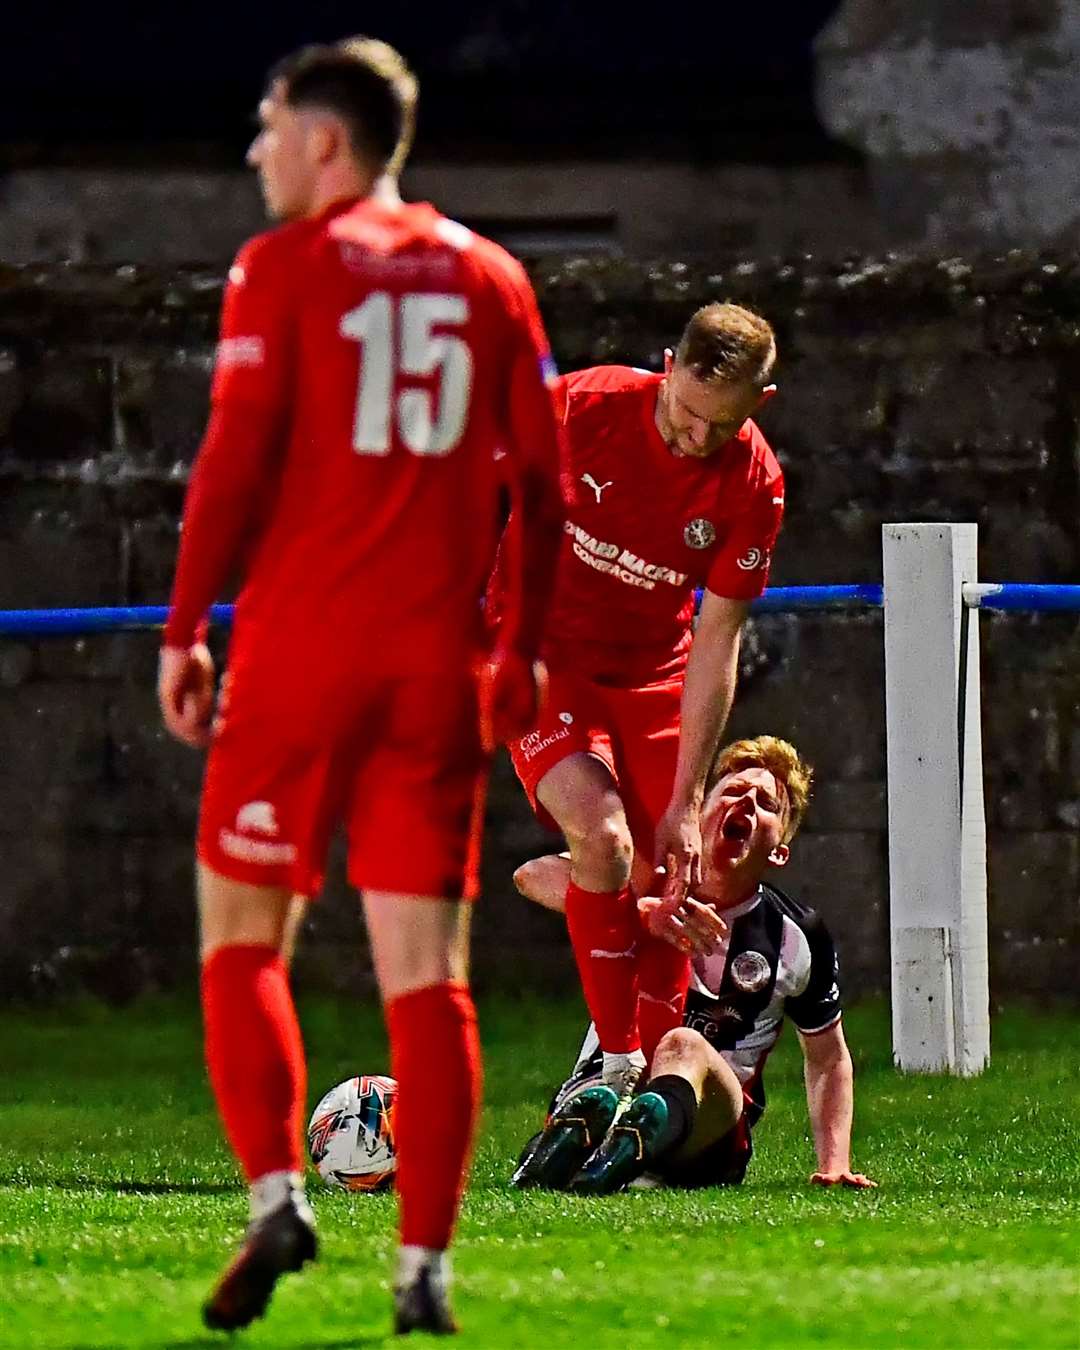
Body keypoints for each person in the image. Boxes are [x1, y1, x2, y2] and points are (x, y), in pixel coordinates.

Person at [157, 37, 563, 1337]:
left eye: (269, 127)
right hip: (437, 666)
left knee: (239, 931)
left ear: (326, 141)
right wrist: (524, 649)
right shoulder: (495, 278)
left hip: (298, 654)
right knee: (424, 973)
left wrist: (182, 626)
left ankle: (280, 1193)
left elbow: (230, 463)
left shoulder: (280, 270)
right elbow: (543, 487)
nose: (256, 151)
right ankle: (425, 1272)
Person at [499, 304, 785, 1104]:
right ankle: (614, 1066)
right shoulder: (581, 407)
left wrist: (691, 798)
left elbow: (718, 638)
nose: (693, 440)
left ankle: (653, 1091)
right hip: (542, 657)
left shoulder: (756, 484)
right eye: (684, 414)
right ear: (667, 365)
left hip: (654, 671)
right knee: (604, 838)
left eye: (717, 427)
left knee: (677, 873)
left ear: (758, 404)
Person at [511, 736, 877, 1194]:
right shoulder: (641, 876)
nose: (744, 801)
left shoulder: (794, 934)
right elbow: (530, 875)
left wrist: (834, 1162)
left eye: (765, 803)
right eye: (732, 790)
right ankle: (589, 1142)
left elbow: (827, 1057)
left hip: (711, 1133)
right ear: (698, 811)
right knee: (604, 1087)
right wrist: (637, 911)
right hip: (613, 1078)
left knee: (681, 1044)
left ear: (779, 850)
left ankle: (623, 1145)